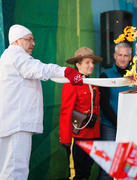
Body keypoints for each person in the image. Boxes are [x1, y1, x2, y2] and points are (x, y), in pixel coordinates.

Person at [0, 24, 82, 179]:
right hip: (17, 124)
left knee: (7, 170)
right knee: (16, 171)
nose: (33, 43)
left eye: (34, 40)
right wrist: (65, 71)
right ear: (17, 41)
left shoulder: (8, 57)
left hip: (11, 123)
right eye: (29, 39)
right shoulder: (16, 55)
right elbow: (38, 69)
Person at [59, 47, 102, 180]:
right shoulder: (71, 84)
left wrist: (97, 136)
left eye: (92, 62)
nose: (91, 65)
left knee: (86, 172)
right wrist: (66, 138)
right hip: (77, 136)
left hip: (92, 135)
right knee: (76, 174)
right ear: (78, 65)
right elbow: (66, 112)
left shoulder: (93, 83)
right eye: (87, 63)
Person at [98, 42, 135, 180]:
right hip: (110, 125)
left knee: (128, 165)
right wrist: (119, 122)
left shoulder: (136, 76)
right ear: (114, 56)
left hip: (131, 127)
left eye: (126, 55)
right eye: (120, 55)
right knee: (108, 164)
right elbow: (104, 104)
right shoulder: (105, 75)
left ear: (130, 57)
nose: (123, 58)